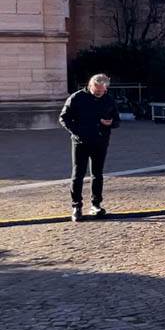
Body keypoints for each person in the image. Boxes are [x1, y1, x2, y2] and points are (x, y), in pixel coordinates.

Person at [59, 73, 120, 222]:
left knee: (97, 174)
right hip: (80, 142)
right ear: (90, 85)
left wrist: (110, 123)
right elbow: (64, 118)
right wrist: (78, 132)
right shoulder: (77, 98)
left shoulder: (108, 99)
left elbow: (117, 120)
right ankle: (76, 206)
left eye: (102, 91)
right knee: (78, 175)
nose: (99, 93)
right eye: (96, 90)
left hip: (100, 141)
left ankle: (96, 204)